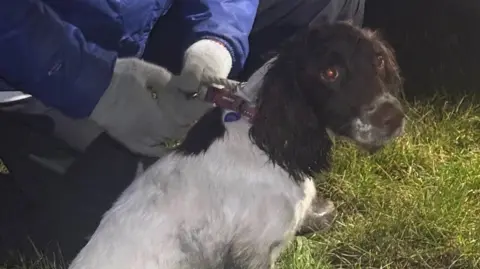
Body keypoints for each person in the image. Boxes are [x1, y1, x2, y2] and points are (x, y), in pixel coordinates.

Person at [0, 0, 365, 264]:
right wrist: (97, 88)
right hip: (31, 65)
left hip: (145, 28)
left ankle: (279, 168)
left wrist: (214, 43)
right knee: (112, 222)